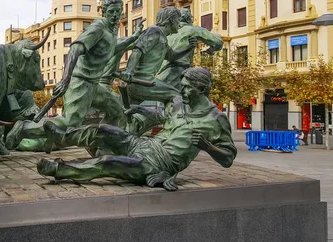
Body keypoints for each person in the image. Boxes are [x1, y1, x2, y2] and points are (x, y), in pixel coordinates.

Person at [37, 67, 237, 191]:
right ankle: (61, 136)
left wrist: (208, 147)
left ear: (201, 89)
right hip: (144, 144)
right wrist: (141, 108)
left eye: (187, 87)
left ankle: (59, 170)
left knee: (109, 162)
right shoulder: (178, 103)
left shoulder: (215, 119)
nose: (181, 91)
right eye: (182, 86)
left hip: (159, 163)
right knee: (103, 130)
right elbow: (162, 117)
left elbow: (228, 159)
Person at [7, 0, 141, 150]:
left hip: (93, 84)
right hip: (80, 82)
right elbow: (75, 49)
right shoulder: (98, 28)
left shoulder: (112, 31)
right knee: (70, 124)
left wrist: (134, 37)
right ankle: (23, 128)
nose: (115, 15)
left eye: (118, 11)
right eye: (111, 11)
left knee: (117, 110)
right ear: (104, 12)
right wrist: (65, 79)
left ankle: (106, 144)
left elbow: (112, 49)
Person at [121, 6, 198, 106]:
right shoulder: (154, 31)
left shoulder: (163, 39)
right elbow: (137, 50)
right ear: (171, 20)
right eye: (178, 20)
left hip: (140, 83)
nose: (179, 24)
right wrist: (129, 70)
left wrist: (189, 48)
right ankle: (176, 121)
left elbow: (172, 56)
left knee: (128, 116)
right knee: (177, 96)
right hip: (141, 82)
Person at [156, 8, 223, 90]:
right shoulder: (191, 29)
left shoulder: (167, 33)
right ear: (188, 18)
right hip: (178, 73)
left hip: (160, 74)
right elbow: (218, 42)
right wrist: (211, 49)